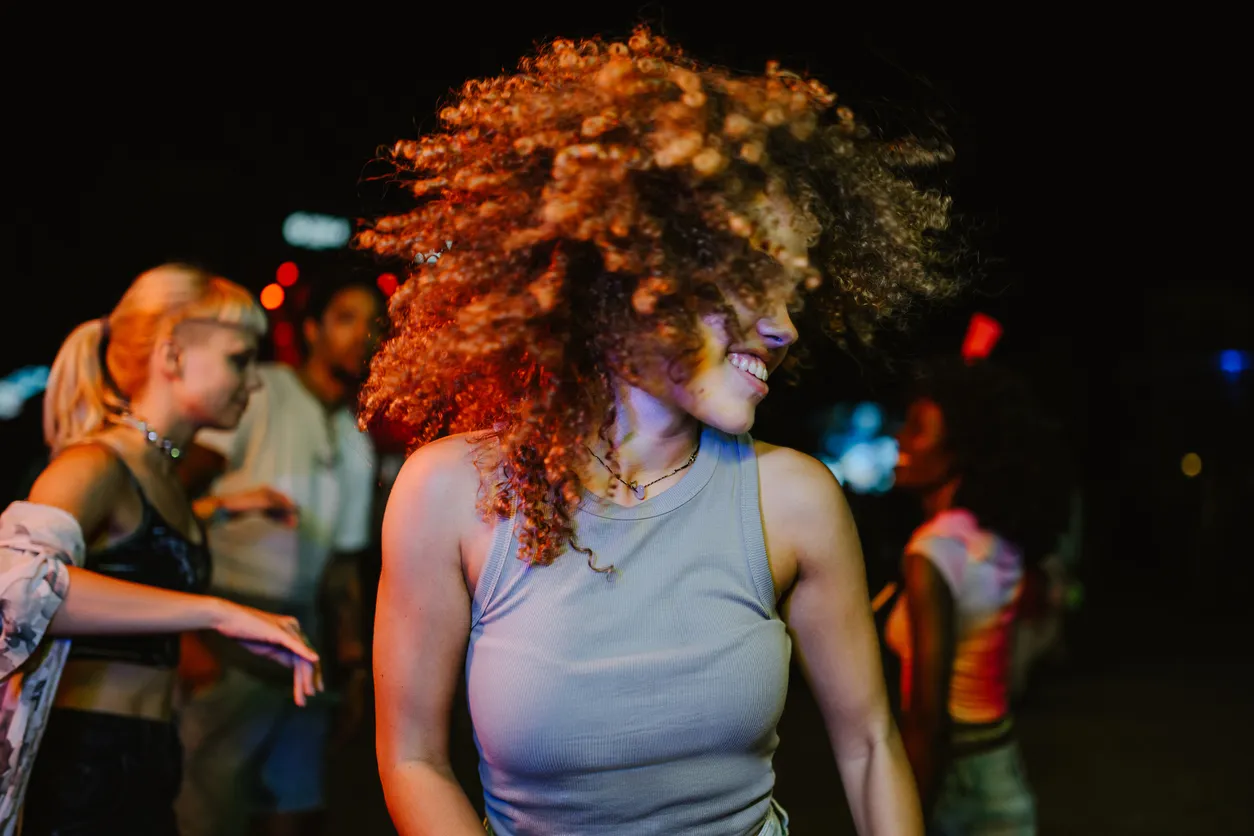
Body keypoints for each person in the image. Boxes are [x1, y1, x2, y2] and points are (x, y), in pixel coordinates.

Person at [361, 28, 957, 836]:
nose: (781, 328)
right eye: (748, 287)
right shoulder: (450, 493)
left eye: (790, 294)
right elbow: (413, 761)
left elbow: (870, 744)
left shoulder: (793, 500)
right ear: (627, 278)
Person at [16, 263, 322, 836]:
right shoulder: (92, 465)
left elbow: (128, 549)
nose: (255, 382)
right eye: (239, 359)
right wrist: (218, 613)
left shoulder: (166, 480)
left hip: (150, 754)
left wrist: (222, 509)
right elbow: (23, 591)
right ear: (173, 354)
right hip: (83, 761)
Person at [174, 275, 383, 836]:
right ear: (311, 330)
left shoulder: (355, 438)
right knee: (206, 809)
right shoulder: (259, 392)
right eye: (344, 317)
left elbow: (343, 568)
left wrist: (357, 670)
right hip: (225, 632)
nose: (362, 334)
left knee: (294, 810)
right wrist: (189, 639)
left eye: (372, 321)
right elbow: (170, 498)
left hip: (303, 643)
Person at [886, 358, 1070, 835]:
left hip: (955, 782)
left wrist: (905, 819)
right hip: (1002, 768)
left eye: (917, 429)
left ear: (959, 451)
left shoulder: (934, 550)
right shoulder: (992, 539)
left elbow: (928, 716)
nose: (899, 439)